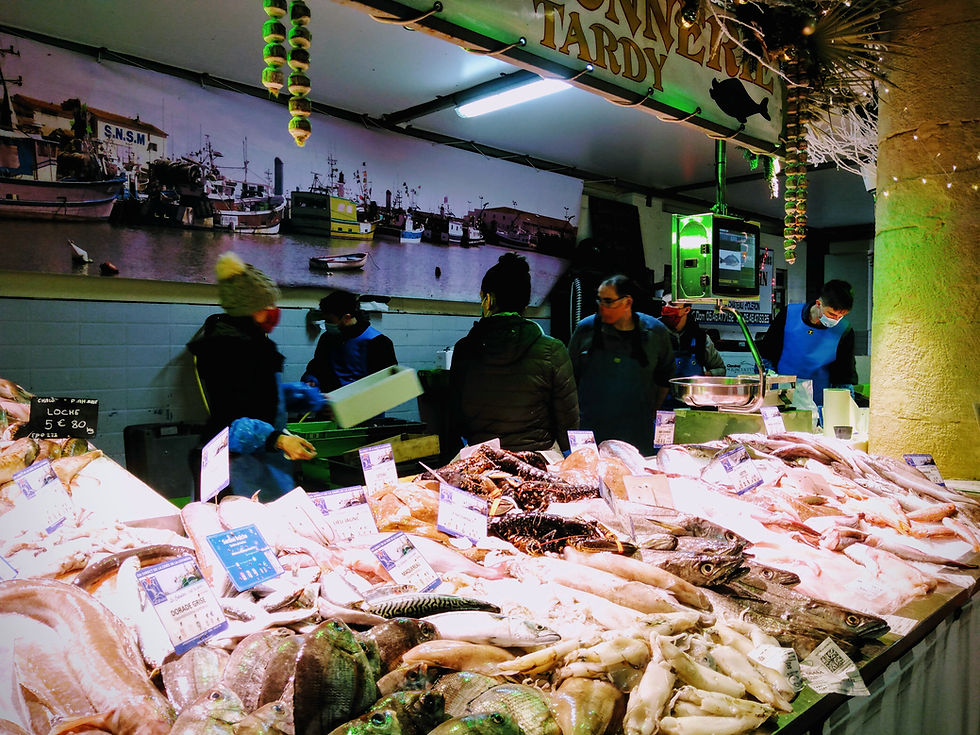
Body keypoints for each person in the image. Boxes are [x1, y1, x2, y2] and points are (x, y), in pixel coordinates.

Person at [188, 252, 322, 501]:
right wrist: (278, 439)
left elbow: (258, 395)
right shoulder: (227, 349)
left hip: (261, 461)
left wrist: (305, 396)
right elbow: (229, 421)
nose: (273, 312)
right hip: (236, 468)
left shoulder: (253, 342)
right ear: (247, 310)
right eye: (265, 306)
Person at [449, 252, 579, 453]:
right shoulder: (553, 350)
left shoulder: (464, 349)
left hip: (481, 464)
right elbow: (568, 426)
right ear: (526, 303)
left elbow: (456, 418)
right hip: (537, 464)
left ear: (488, 300)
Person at [568, 274, 674, 455]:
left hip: (638, 437)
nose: (602, 307)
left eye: (608, 301)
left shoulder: (655, 333)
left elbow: (665, 380)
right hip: (592, 436)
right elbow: (568, 380)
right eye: (599, 300)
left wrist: (648, 410)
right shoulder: (586, 329)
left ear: (627, 302)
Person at [759, 279, 859, 404]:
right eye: (832, 314)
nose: (836, 320)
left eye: (841, 316)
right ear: (819, 304)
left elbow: (844, 378)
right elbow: (766, 356)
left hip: (819, 401)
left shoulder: (844, 330)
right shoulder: (789, 314)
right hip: (781, 395)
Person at [302, 290, 397, 392]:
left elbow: (386, 384)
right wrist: (312, 380)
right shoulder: (327, 338)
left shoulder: (379, 343)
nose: (326, 324)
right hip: (331, 400)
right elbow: (317, 367)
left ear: (347, 317)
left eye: (330, 321)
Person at [658, 295, 726, 409]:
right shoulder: (653, 333)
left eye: (672, 304)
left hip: (694, 408)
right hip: (662, 408)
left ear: (687, 310)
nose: (666, 308)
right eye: (663, 304)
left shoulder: (701, 338)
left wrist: (703, 377)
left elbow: (720, 370)